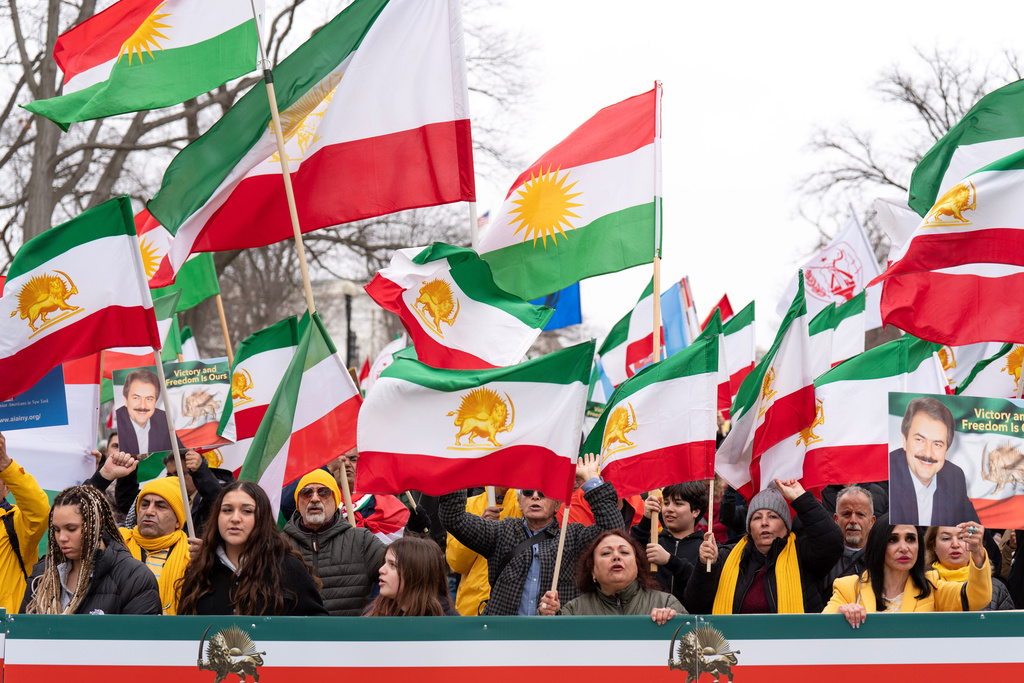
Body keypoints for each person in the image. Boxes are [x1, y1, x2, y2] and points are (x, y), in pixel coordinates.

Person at [439, 453, 622, 615]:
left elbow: (614, 530)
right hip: (503, 636)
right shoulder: (501, 532)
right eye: (528, 492)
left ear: (557, 505)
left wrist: (591, 481)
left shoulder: (572, 537)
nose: (535, 496)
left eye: (543, 493)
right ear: (520, 503)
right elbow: (453, 518)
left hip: (552, 635)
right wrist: (458, 468)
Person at [684, 479, 843, 615]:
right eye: (757, 518)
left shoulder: (802, 553)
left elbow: (832, 541)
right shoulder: (725, 556)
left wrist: (801, 499)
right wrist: (705, 566)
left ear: (786, 525)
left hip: (792, 641)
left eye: (773, 516)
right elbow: (695, 605)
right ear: (749, 527)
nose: (764, 523)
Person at [176, 481, 327, 616]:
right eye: (227, 510)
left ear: (262, 518)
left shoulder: (288, 567)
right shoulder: (201, 569)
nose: (235, 518)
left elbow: (317, 627)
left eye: (247, 511)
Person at [824, 515, 992, 626]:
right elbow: (821, 629)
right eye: (893, 540)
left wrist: (977, 552)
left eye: (911, 539)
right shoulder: (848, 588)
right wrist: (840, 615)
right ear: (878, 545)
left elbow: (978, 597)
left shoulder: (932, 587)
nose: (904, 548)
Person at [22, 485, 160, 615]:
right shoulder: (43, 572)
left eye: (71, 529)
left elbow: (138, 632)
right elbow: (21, 628)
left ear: (97, 524)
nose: (62, 538)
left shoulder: (134, 577)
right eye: (56, 530)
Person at [283, 469, 387, 616]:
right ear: (298, 504)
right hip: (295, 631)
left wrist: (415, 531)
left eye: (323, 492)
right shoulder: (280, 545)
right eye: (306, 493)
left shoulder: (361, 540)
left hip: (347, 631)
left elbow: (402, 571)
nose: (314, 499)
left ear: (336, 500)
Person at [537, 530, 684, 625]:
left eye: (624, 552)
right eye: (606, 553)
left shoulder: (666, 603)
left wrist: (674, 622)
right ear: (592, 571)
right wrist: (546, 616)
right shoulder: (574, 611)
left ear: (638, 566)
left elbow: (690, 645)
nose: (616, 557)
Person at [888, 397, 979, 526]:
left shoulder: (954, 477)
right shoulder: (885, 472)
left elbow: (974, 528)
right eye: (920, 440)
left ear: (946, 449)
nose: (928, 453)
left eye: (937, 444)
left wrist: (973, 532)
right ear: (905, 440)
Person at [118, 476, 191, 614]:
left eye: (160, 506)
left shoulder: (193, 557)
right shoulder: (117, 544)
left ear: (178, 520)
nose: (149, 511)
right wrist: (104, 477)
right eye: (144, 504)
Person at [446, 486, 521, 616]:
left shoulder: (524, 505)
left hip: (511, 608)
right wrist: (479, 530)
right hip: (473, 607)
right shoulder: (468, 506)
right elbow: (457, 563)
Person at [629, 482, 706, 602]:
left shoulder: (706, 549)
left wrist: (669, 561)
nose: (669, 509)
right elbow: (630, 552)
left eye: (678, 504)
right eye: (666, 503)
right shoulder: (653, 543)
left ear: (696, 511)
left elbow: (704, 585)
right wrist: (646, 520)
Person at [0, 432, 51, 613]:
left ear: (7, 488)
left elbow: (40, 511)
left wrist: (5, 464)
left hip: (8, 626)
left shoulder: (14, 522)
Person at [363, 536, 459, 616]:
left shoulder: (449, 623)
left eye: (392, 565)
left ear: (416, 573)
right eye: (384, 562)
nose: (381, 570)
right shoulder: (373, 615)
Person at [925, 525, 1013, 611]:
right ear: (933, 545)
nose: (955, 544)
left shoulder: (996, 588)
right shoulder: (923, 584)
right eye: (946, 538)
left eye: (962, 537)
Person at [161, 449, 232, 536]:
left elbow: (216, 498)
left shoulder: (209, 499)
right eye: (169, 475)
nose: (173, 479)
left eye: (179, 473)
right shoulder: (169, 501)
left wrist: (200, 470)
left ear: (194, 472)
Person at [824, 485, 876, 588]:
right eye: (846, 514)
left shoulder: (882, 559)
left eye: (860, 514)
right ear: (836, 519)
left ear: (872, 522)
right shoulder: (823, 559)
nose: (853, 520)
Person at [115, 368, 175, 456]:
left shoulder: (164, 419)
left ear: (155, 401)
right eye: (136, 398)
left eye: (149, 399)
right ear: (126, 400)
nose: (142, 406)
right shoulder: (117, 422)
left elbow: (178, 452)